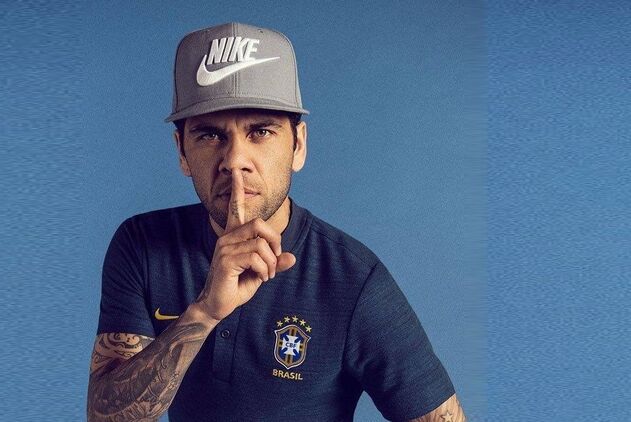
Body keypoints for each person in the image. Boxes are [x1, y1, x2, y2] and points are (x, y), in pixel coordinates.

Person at [87, 22, 467, 422]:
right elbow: (105, 417)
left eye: (261, 132)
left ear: (297, 145)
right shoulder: (143, 245)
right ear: (182, 152)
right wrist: (205, 312)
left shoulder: (353, 280)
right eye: (210, 136)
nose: (235, 160)